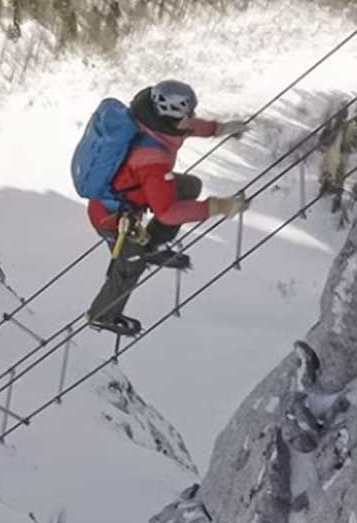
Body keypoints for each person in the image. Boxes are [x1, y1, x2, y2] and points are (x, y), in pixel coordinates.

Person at [84, 80, 250, 336]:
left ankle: (152, 246)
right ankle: (102, 315)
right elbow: (168, 213)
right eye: (187, 115)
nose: (191, 118)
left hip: (132, 192)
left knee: (188, 186)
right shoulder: (153, 158)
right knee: (130, 265)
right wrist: (217, 207)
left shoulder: (150, 120)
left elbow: (188, 127)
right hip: (112, 217)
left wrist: (220, 129)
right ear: (172, 118)